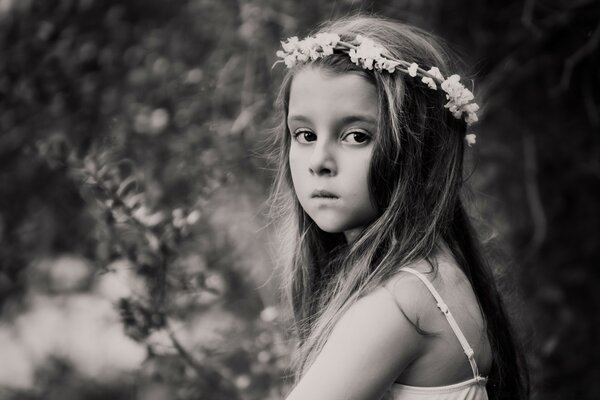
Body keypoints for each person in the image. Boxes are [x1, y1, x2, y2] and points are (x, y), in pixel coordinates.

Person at [267, 15, 529, 400]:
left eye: (356, 136)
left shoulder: (398, 302)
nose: (318, 160)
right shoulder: (432, 273)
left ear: (417, 150)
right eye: (304, 135)